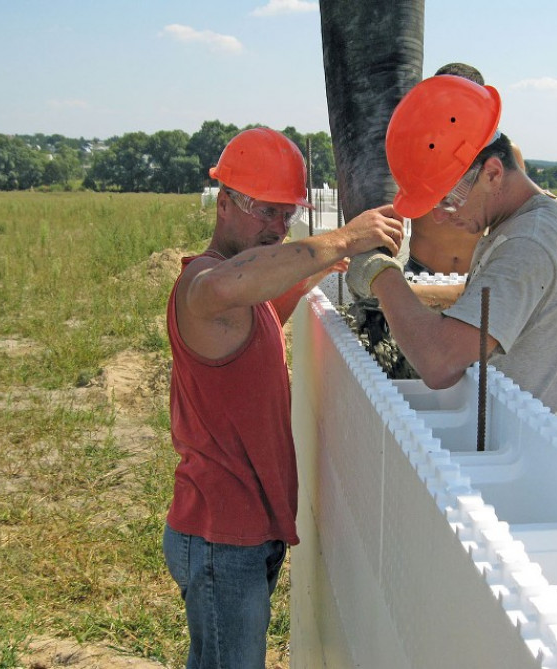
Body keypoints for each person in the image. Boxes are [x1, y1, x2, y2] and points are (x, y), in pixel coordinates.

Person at [163, 127, 404, 668]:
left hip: (244, 531)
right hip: (221, 537)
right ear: (224, 203)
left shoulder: (248, 303)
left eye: (286, 216)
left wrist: (321, 266)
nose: (278, 228)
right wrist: (343, 238)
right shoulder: (204, 286)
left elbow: (266, 306)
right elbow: (233, 284)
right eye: (266, 212)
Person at [346, 76, 557, 429]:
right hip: (520, 442)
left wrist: (380, 274)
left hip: (530, 457)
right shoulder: (521, 226)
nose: (438, 217)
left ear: (492, 173)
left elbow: (439, 362)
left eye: (448, 199)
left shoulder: (530, 242)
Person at [404, 63, 526, 276]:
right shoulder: (414, 150)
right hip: (421, 272)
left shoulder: (506, 154)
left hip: (473, 275)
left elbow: (515, 217)